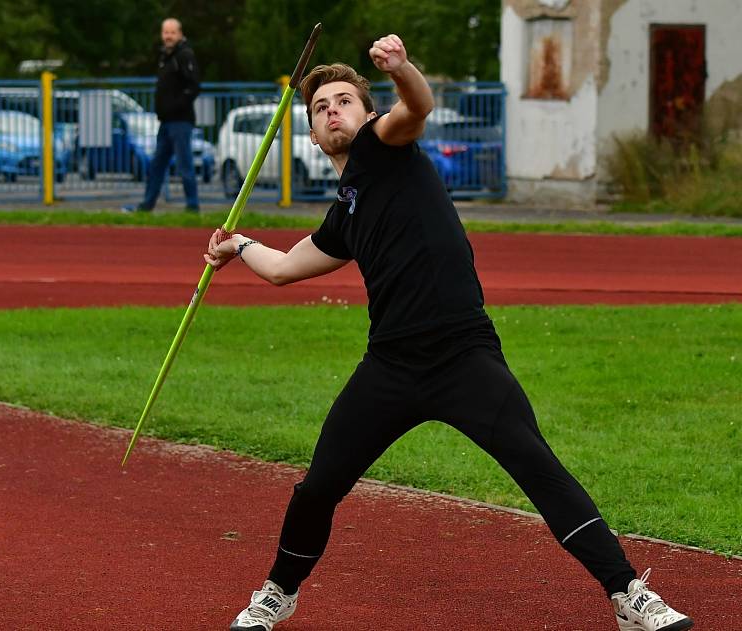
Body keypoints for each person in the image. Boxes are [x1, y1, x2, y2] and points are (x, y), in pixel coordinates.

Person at [205, 34, 694, 631]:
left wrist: (400, 67)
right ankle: (277, 595)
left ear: (367, 114)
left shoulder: (386, 144)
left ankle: (629, 596)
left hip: (462, 354)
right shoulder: (347, 212)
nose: (332, 110)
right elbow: (282, 269)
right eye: (320, 107)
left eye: (344, 101)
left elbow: (418, 106)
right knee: (319, 486)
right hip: (391, 366)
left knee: (537, 467)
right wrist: (241, 246)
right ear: (311, 134)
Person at [123, 18, 200, 213]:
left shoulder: (184, 55)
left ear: (180, 34)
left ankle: (193, 206)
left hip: (181, 122)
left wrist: (175, 106)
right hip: (166, 122)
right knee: (157, 165)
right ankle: (147, 205)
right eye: (165, 32)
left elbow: (194, 87)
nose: (168, 36)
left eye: (172, 32)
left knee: (184, 166)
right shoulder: (165, 57)